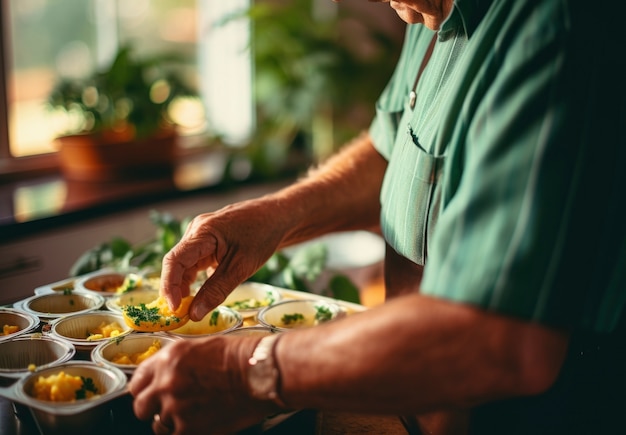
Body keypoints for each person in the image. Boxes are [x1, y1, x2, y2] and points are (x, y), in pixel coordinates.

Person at [128, 0, 626, 434]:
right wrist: (278, 215)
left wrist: (245, 372)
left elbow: (498, 337)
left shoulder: (553, 23)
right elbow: (397, 152)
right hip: (418, 402)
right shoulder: (428, 10)